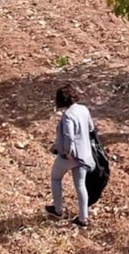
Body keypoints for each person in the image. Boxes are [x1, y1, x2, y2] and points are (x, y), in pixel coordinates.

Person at [45, 84, 96, 228]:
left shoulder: (68, 115)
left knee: (56, 177)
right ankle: (83, 218)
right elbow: (91, 128)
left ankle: (58, 210)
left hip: (70, 156)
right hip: (84, 155)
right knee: (80, 185)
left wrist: (66, 152)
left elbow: (69, 136)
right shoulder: (84, 109)